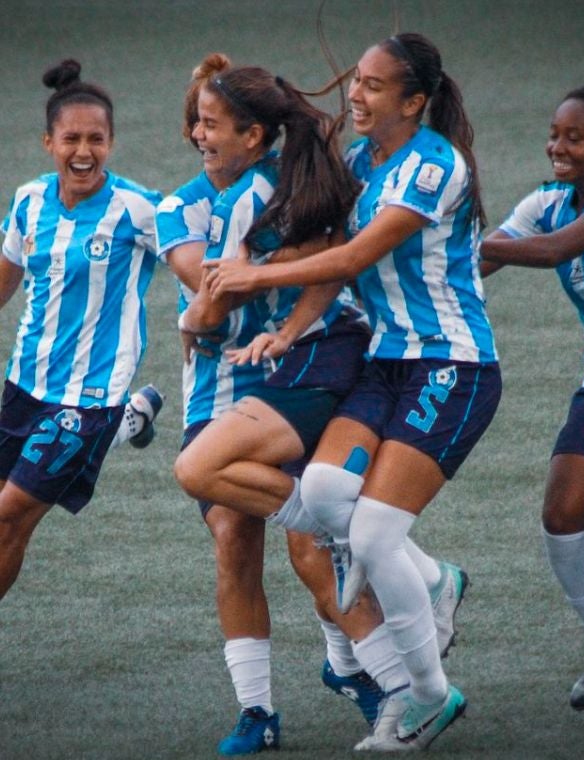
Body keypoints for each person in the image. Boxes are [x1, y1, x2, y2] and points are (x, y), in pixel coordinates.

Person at [205, 33, 497, 751]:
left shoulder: (432, 165)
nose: (354, 96)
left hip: (448, 366)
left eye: (371, 86)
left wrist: (255, 277)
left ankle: (429, 697)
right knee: (330, 493)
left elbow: (359, 254)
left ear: (414, 100)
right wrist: (290, 330)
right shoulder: (363, 159)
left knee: (369, 534)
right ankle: (435, 580)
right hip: (383, 361)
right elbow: (334, 268)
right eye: (355, 82)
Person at [159, 54, 423, 754]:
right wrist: (212, 306)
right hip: (221, 388)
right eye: (196, 124)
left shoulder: (281, 189)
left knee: (311, 544)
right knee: (235, 541)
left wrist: (245, 289)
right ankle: (260, 711)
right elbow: (211, 302)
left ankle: (373, 673)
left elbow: (301, 269)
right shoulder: (179, 207)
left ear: (254, 135)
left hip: (286, 370)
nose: (199, 137)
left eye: (211, 124)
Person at [479, 84, 584, 732]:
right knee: (561, 519)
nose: (557, 145)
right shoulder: (546, 202)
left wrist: (447, 235)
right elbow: (478, 263)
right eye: (554, 133)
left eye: (574, 137)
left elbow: (550, 251)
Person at [0, 60, 162, 603]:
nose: (83, 151)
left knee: (8, 515)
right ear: (49, 142)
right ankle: (131, 417)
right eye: (71, 138)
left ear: (111, 143)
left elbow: (196, 254)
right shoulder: (28, 201)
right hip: (23, 387)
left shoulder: (137, 210)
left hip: (89, 396)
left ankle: (118, 413)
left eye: (96, 139)